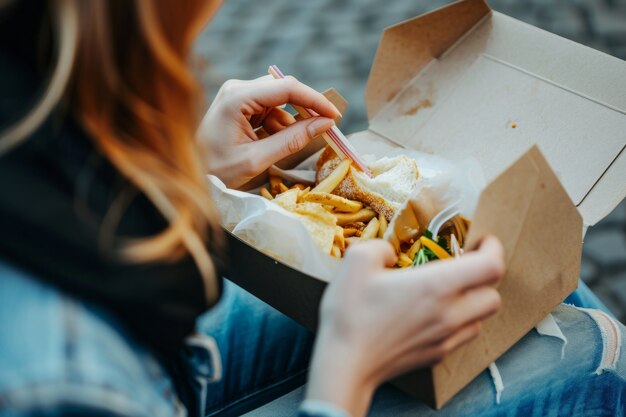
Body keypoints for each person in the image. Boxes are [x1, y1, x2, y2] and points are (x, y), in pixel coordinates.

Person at [0, 1, 623, 417]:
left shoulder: (30, 90)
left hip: (159, 363)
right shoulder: (61, 380)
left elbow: (72, 211)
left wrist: (193, 177)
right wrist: (344, 373)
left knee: (542, 295)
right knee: (593, 347)